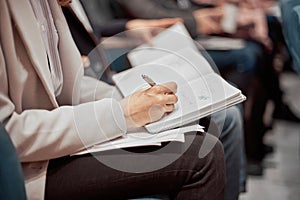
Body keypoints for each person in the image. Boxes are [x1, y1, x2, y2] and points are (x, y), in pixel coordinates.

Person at [0, 0, 225, 199]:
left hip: (61, 141)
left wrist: (133, 97)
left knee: (204, 125)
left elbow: (67, 86)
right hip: (31, 169)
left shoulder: (49, 5)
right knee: (202, 155)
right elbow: (9, 134)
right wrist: (123, 112)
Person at [64, 1, 245, 198]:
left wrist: (127, 28)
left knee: (226, 110)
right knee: (215, 133)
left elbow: (89, 32)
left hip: (101, 81)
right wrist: (122, 109)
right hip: (91, 95)